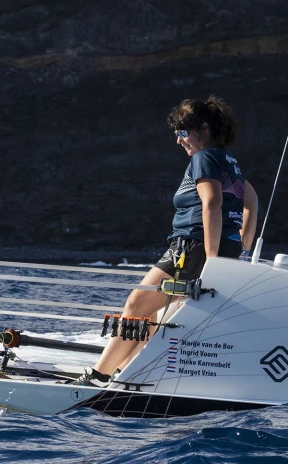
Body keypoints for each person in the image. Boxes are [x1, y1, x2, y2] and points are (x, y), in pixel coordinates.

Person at [85, 95, 257, 385]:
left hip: (192, 248)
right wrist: (242, 248)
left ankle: (97, 378)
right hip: (216, 247)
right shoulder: (229, 161)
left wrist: (213, 259)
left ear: (203, 128)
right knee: (150, 312)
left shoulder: (204, 158)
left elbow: (212, 203)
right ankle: (130, 377)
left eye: (182, 132)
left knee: (137, 304)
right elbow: (251, 200)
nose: (179, 141)